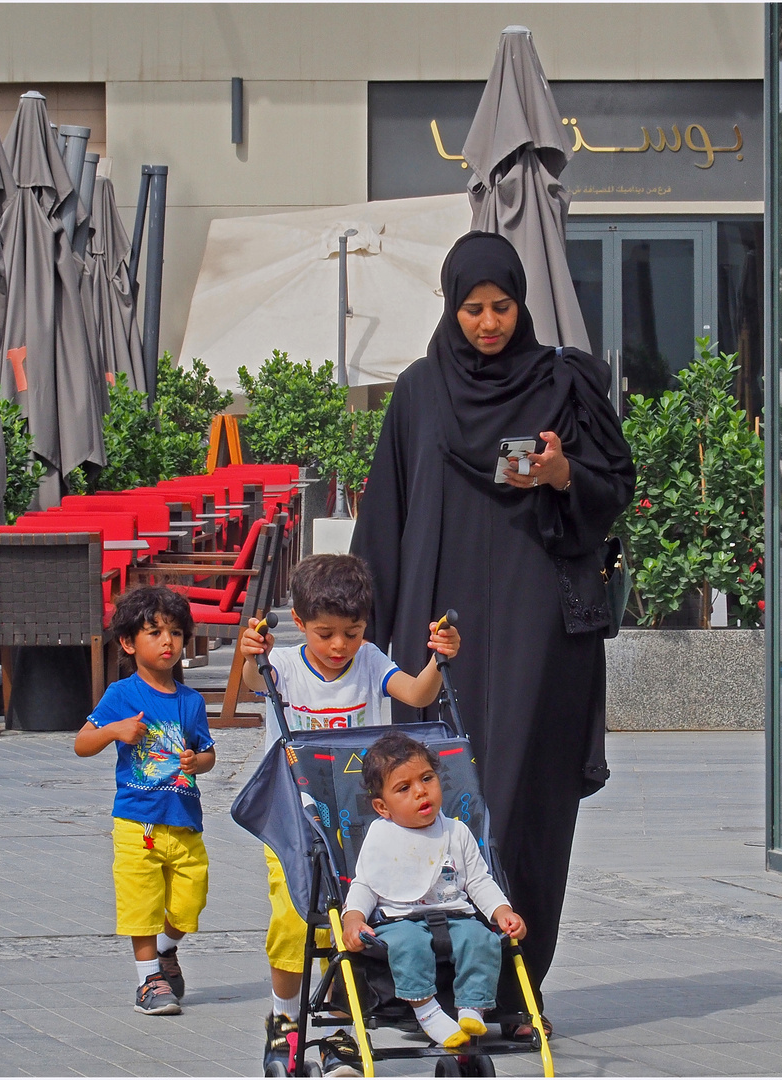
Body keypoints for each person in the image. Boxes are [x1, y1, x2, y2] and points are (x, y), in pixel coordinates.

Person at [351, 231, 633, 1037]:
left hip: (540, 633)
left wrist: (563, 474)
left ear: (521, 304)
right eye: (471, 308)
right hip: (439, 641)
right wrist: (365, 645)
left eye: (501, 307)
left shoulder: (564, 384)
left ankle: (510, 993)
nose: (486, 323)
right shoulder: (419, 392)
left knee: (519, 806)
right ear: (450, 306)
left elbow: (615, 485)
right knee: (426, 802)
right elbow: (386, 522)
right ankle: (414, 990)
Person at [239, 553, 460, 1076]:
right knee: (296, 921)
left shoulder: (371, 660)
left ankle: (343, 1026)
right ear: (298, 622)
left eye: (352, 632)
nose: (340, 646)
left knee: (355, 926)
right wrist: (251, 654)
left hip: (363, 827)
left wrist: (437, 660)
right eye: (326, 633)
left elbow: (415, 693)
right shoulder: (286, 666)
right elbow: (253, 679)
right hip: (294, 822)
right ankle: (284, 1018)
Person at [74, 586, 215, 1017]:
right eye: (154, 632)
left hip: (184, 818)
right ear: (129, 642)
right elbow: (82, 743)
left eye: (175, 632)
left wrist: (198, 761)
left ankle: (166, 947)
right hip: (138, 821)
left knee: (192, 899)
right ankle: (148, 979)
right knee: (142, 901)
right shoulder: (121, 694)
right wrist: (114, 731)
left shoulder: (191, 701)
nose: (167, 641)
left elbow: (208, 754)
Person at [341, 731, 526, 1048]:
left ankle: (472, 1005)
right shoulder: (380, 836)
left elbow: (479, 880)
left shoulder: (456, 831)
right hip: (399, 920)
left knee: (481, 938)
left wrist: (503, 911)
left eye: (427, 778)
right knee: (407, 944)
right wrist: (353, 919)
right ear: (383, 807)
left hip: (455, 914)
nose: (420, 792)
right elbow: (366, 883)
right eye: (404, 788)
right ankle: (426, 1011)